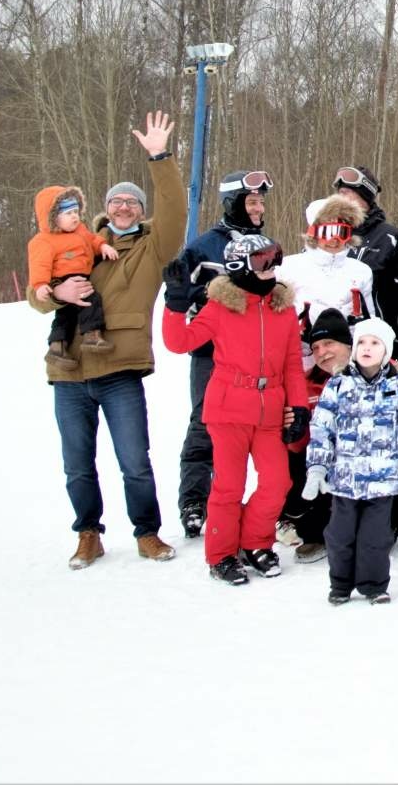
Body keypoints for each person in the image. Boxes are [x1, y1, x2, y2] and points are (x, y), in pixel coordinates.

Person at [31, 111, 182, 570]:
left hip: (119, 368)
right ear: (105, 206)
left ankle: (147, 533)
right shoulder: (74, 241)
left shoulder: (152, 248)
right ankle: (88, 535)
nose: (123, 207)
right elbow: (36, 296)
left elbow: (174, 211)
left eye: (132, 202)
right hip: (70, 371)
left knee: (135, 460)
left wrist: (159, 158)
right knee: (77, 464)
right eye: (116, 200)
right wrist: (55, 293)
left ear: (141, 210)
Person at [160, 232, 311, 586]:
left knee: (277, 482)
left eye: (275, 257)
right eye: (262, 260)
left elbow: (292, 363)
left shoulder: (283, 307)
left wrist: (299, 407)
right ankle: (221, 553)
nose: (271, 266)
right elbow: (179, 342)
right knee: (229, 486)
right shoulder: (221, 307)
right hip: (229, 409)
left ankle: (255, 542)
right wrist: (175, 302)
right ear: (239, 266)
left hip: (270, 409)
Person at [163, 167, 273, 540]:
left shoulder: (265, 244)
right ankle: (194, 500)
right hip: (211, 353)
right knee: (204, 423)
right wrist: (198, 297)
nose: (259, 209)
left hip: (253, 354)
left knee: (257, 427)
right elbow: (184, 293)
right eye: (252, 202)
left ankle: (257, 501)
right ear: (233, 203)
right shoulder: (203, 247)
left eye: (260, 202)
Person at [302, 313, 398, 605]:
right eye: (361, 342)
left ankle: (374, 585)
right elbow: (322, 429)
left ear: (386, 351)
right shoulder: (338, 384)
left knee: (375, 538)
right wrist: (317, 469)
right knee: (339, 536)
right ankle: (340, 584)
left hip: (383, 483)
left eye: (375, 343)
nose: (367, 348)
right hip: (344, 481)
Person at [277, 309, 354, 565]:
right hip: (324, 471)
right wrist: (293, 430)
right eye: (316, 347)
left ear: (348, 344)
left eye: (329, 343)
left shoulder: (379, 373)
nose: (322, 352)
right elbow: (297, 448)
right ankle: (313, 529)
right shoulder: (305, 385)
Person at [28, 185, 119, 369]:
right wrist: (40, 285)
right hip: (62, 279)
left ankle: (57, 347)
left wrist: (102, 246)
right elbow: (39, 264)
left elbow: (92, 240)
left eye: (76, 212)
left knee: (66, 315)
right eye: (68, 213)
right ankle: (92, 335)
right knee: (91, 300)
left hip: (79, 276)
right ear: (53, 217)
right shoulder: (44, 240)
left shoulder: (80, 230)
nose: (74, 217)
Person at [279, 194, 375, 362]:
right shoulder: (288, 268)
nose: (335, 240)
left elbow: (370, 322)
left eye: (342, 232)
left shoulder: (360, 272)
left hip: (346, 360)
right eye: (328, 232)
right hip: (301, 359)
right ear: (313, 233)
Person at [330, 165, 398, 332]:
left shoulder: (391, 237)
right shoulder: (329, 235)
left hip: (375, 335)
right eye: (339, 193)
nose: (340, 199)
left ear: (364, 196)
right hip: (335, 333)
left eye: (347, 193)